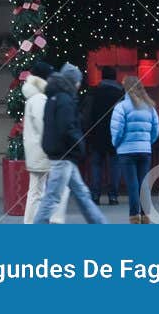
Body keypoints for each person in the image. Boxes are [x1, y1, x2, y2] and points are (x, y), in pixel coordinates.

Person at [33, 64, 106, 225]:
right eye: (79, 81)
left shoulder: (54, 97)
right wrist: (80, 144)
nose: (80, 85)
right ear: (74, 81)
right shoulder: (65, 99)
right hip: (64, 155)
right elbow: (67, 127)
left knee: (81, 194)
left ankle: (99, 223)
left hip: (61, 154)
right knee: (53, 197)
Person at [110, 74, 159, 223]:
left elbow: (117, 129)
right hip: (145, 150)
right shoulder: (150, 106)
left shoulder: (121, 107)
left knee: (132, 184)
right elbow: (155, 129)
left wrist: (116, 143)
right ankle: (146, 215)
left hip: (126, 151)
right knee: (143, 184)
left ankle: (134, 216)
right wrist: (147, 142)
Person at [21, 60, 66, 224]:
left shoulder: (33, 96)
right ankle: (47, 222)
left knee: (36, 191)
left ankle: (31, 223)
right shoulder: (40, 98)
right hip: (44, 151)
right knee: (52, 189)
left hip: (35, 151)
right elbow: (44, 126)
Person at [83, 65, 123, 205]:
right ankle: (113, 196)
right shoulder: (121, 94)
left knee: (96, 165)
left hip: (96, 134)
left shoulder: (94, 92)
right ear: (115, 77)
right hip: (115, 134)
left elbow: (87, 114)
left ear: (102, 77)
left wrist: (86, 131)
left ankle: (95, 195)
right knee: (115, 166)